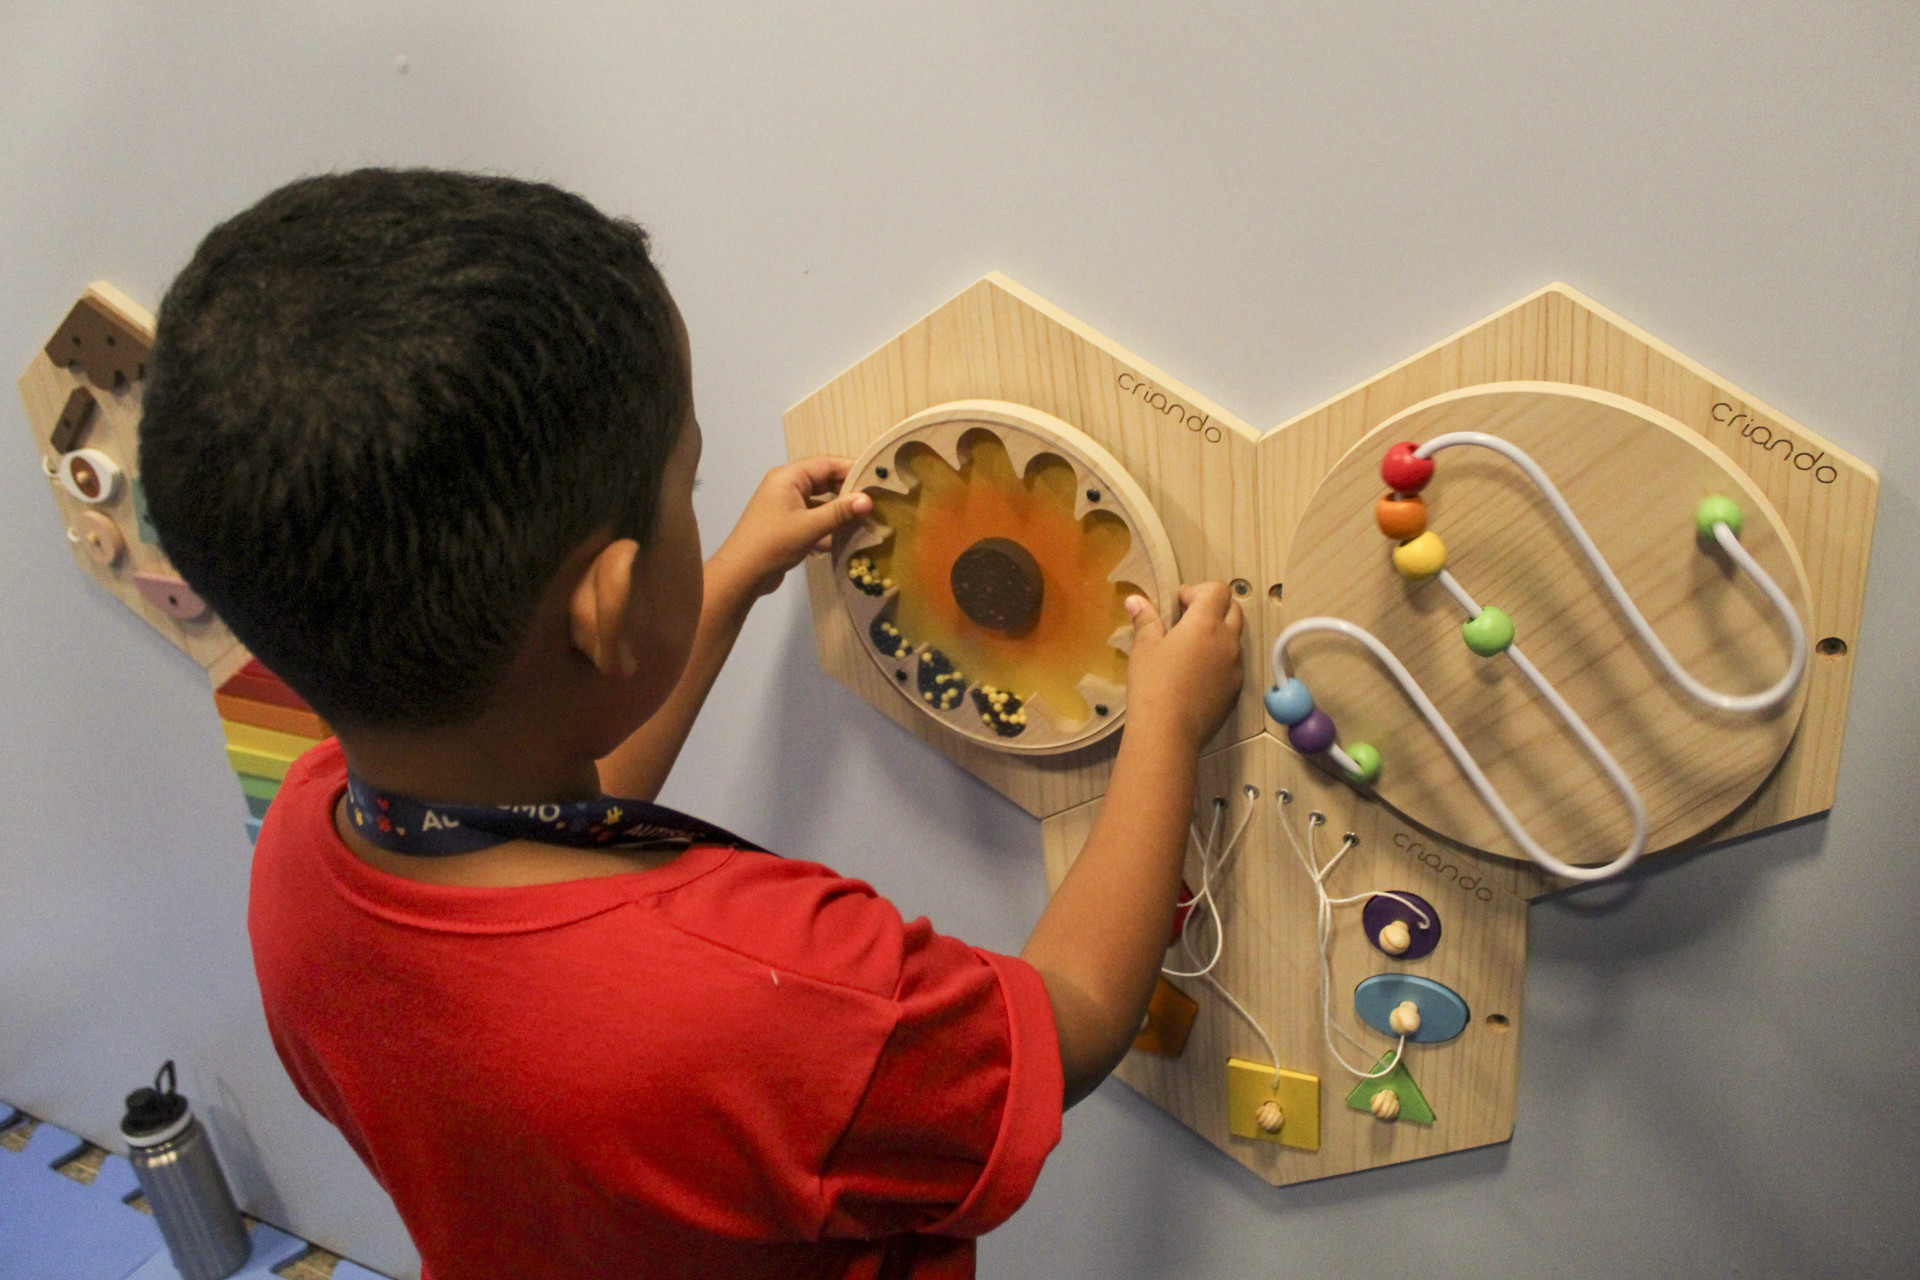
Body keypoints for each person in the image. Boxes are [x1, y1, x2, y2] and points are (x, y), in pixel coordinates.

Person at [139, 169, 1243, 1280]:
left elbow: (532, 816)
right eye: (688, 484)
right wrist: (1163, 724)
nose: (700, 504)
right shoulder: (775, 994)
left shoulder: (301, 848)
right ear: (607, 605)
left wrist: (716, 588)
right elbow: (1074, 1022)